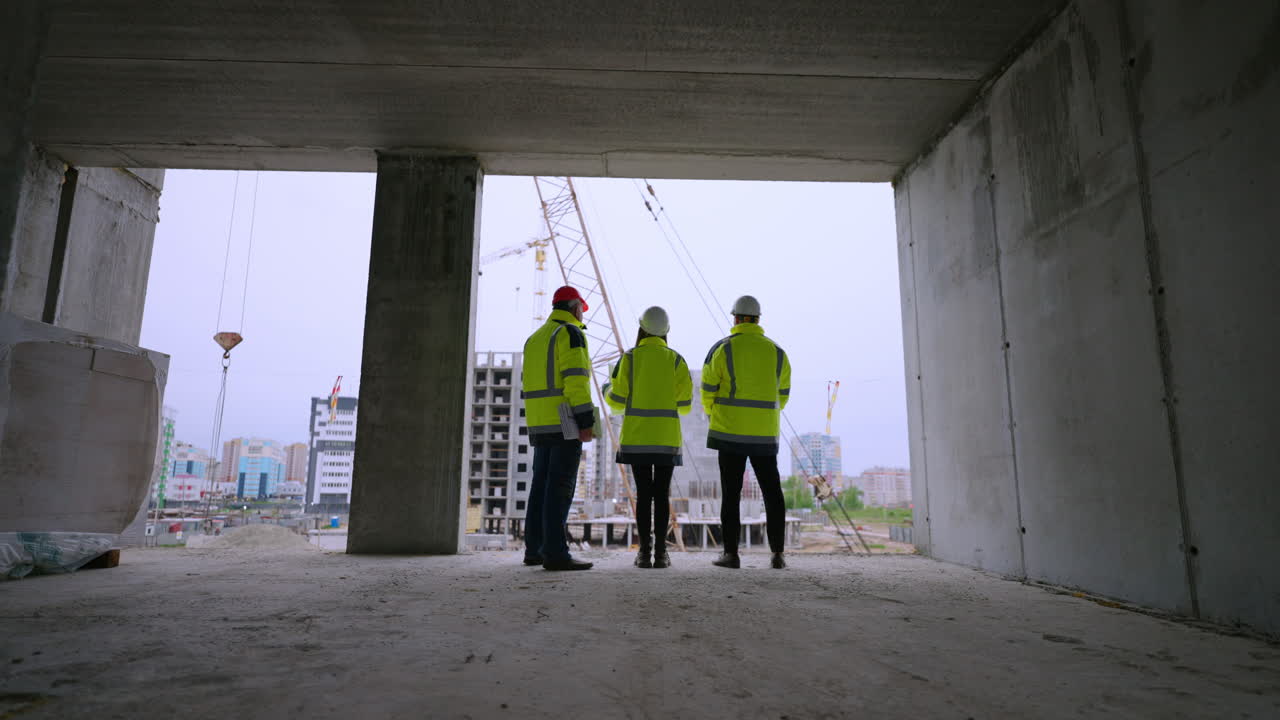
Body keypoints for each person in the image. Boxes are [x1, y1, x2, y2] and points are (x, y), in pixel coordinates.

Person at [701, 295, 791, 570]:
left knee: (731, 494)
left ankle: (731, 554)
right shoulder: (777, 352)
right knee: (772, 492)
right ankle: (778, 555)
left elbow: (707, 390)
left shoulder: (723, 349)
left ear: (737, 318)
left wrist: (714, 414)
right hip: (764, 434)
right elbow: (783, 396)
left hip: (729, 432)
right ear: (758, 318)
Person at [604, 306, 693, 569]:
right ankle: (662, 554)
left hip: (637, 437)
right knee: (662, 495)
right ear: (666, 331)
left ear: (641, 328)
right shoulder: (676, 360)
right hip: (666, 439)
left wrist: (607, 389)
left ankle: (644, 553)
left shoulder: (630, 359)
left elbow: (616, 402)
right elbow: (685, 405)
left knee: (643, 495)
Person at [520, 286, 597, 571]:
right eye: (581, 310)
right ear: (575, 308)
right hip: (565, 422)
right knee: (560, 488)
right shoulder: (570, 333)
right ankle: (555, 553)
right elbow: (576, 381)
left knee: (540, 486)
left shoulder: (535, 338)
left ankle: (534, 549)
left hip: (539, 423)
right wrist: (586, 422)